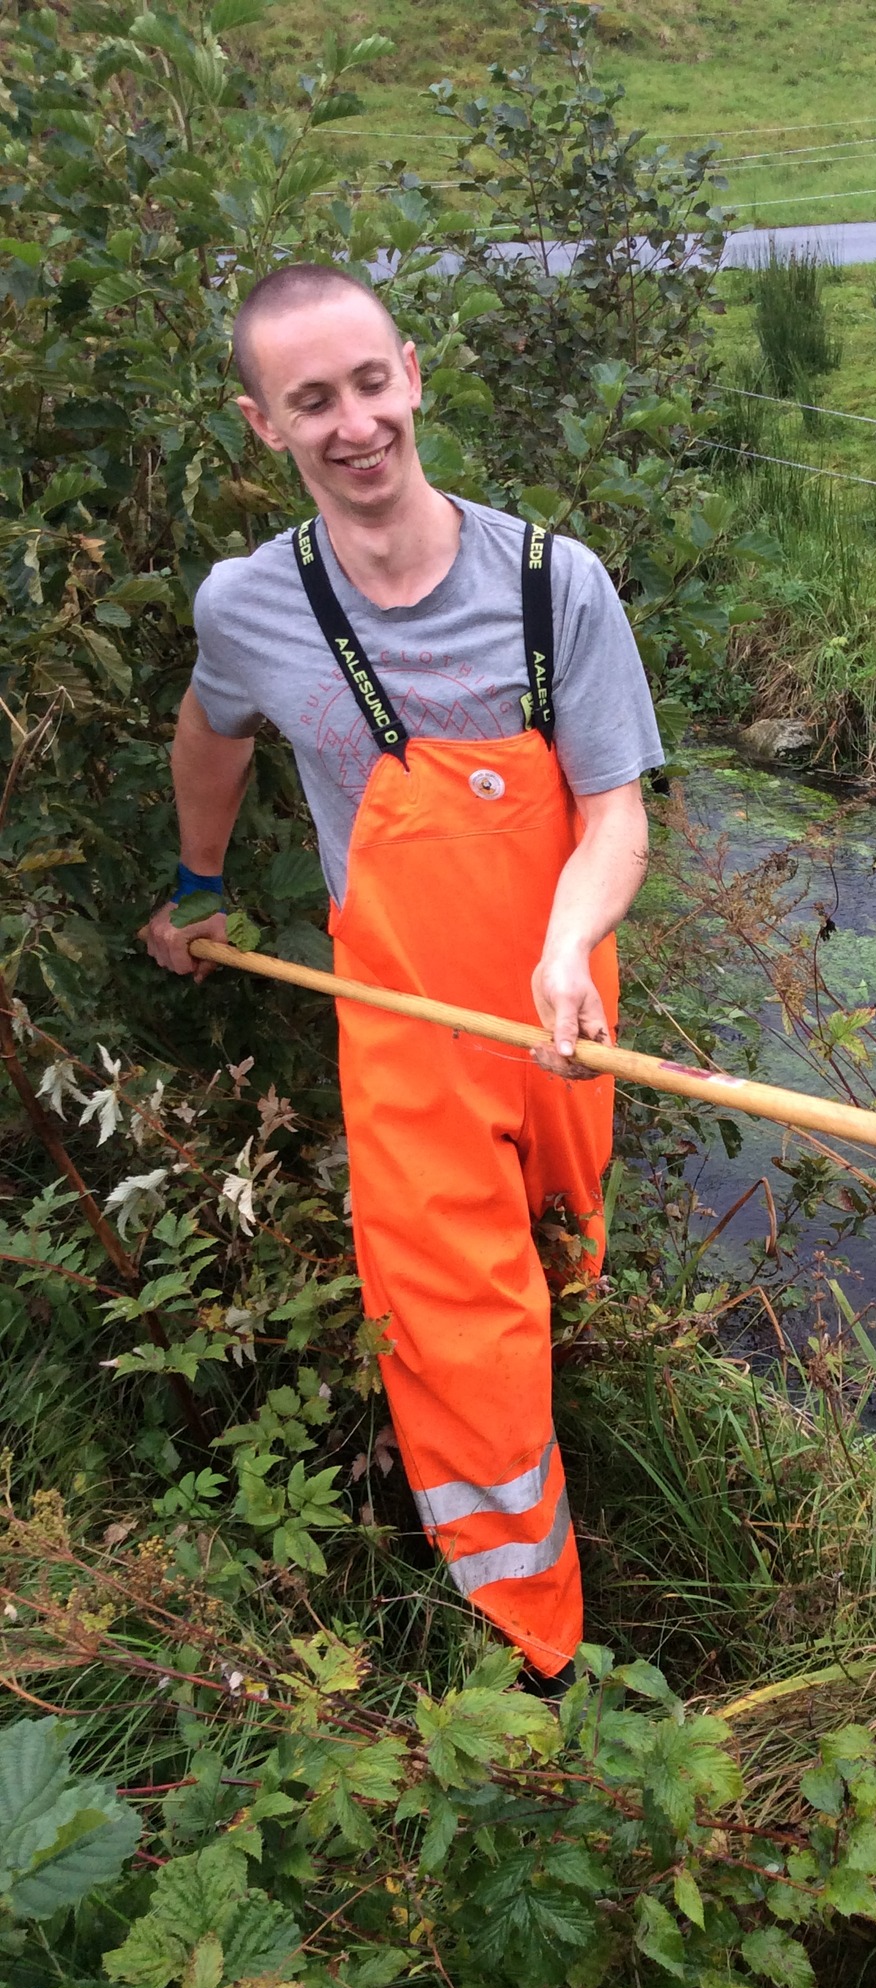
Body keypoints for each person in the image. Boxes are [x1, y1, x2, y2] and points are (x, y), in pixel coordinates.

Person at [141, 263, 663, 1688]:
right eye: (312, 400)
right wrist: (198, 884)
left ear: (414, 375)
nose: (355, 423)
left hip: (562, 1004)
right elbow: (210, 734)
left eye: (371, 383)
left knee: (567, 1246)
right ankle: (529, 1650)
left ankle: (606, 1423)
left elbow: (615, 814)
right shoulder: (250, 606)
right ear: (264, 424)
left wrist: (563, 949)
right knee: (455, 1322)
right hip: (403, 1019)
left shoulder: (555, 585)